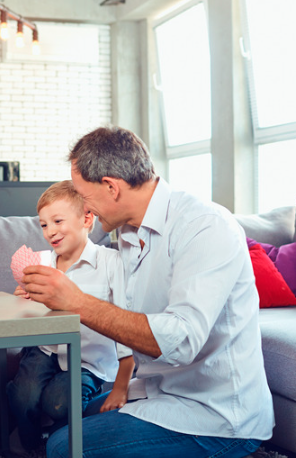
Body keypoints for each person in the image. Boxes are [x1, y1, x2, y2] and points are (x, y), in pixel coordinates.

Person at [22, 126, 274, 458]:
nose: (85, 209)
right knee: (64, 416)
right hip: (159, 391)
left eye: (84, 196)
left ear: (111, 187)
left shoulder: (204, 226)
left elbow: (181, 340)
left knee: (62, 446)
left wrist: (78, 302)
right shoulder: (127, 233)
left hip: (215, 415)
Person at [7, 180, 134, 456]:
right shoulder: (39, 262)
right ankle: (31, 446)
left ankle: (59, 442)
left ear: (87, 218)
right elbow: (25, 314)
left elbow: (126, 323)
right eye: (43, 225)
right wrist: (22, 299)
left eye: (57, 221)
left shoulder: (110, 263)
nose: (50, 231)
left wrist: (122, 385)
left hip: (88, 360)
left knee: (58, 403)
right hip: (44, 350)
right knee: (22, 397)